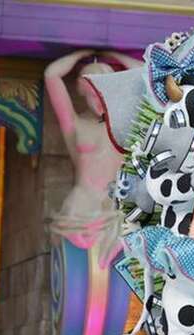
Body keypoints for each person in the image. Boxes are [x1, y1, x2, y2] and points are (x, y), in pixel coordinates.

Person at [45, 49, 143, 268]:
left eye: (106, 92)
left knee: (113, 265)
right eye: (93, 93)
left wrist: (115, 54)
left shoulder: (126, 126)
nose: (100, 100)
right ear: (83, 92)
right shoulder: (75, 125)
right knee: (78, 267)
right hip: (81, 205)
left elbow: (147, 74)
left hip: (115, 204)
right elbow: (51, 74)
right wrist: (81, 53)